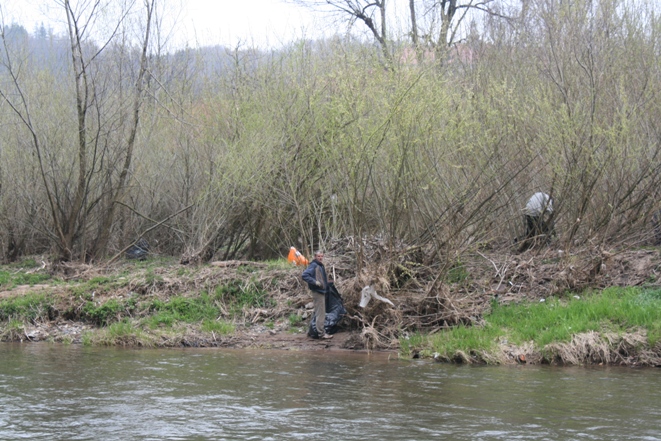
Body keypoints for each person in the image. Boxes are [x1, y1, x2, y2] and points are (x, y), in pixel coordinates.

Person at [302, 250, 333, 339]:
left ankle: (310, 331)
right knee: (321, 313)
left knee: (317, 312)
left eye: (321, 256)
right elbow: (305, 275)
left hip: (321, 291)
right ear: (315, 257)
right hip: (318, 292)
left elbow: (321, 278)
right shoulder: (314, 265)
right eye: (319, 256)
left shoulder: (319, 265)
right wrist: (315, 282)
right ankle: (321, 334)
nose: (320, 258)